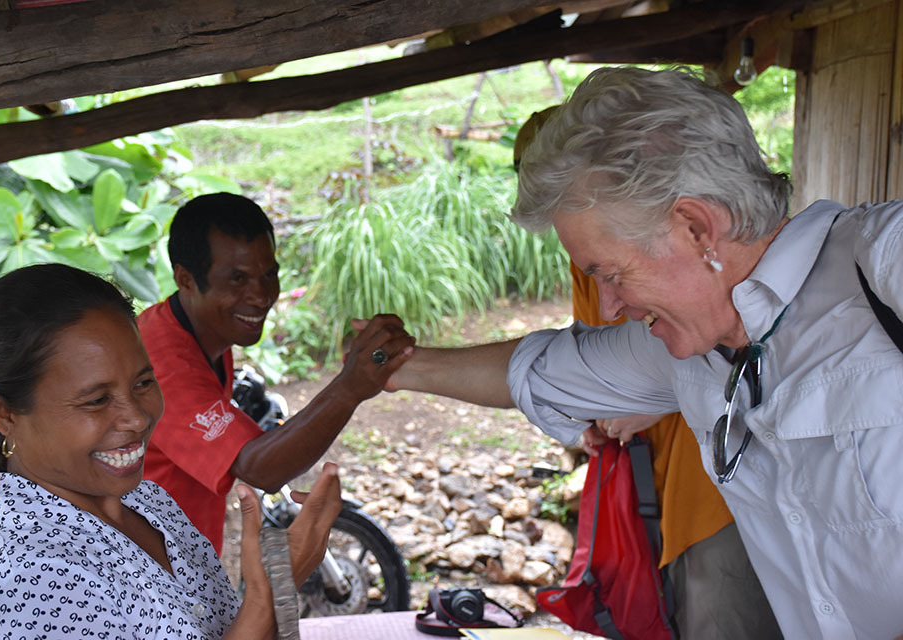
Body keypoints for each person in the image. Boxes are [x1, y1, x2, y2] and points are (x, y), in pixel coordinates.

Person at [380, 67, 903, 639]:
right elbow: (540, 370)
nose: (607, 306)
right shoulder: (694, 346)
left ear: (696, 227)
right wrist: (392, 367)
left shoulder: (882, 267)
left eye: (611, 273)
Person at [0, 263, 342, 638]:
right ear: (6, 414)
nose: (135, 417)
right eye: (97, 400)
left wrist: (273, 585)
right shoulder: (22, 580)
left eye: (143, 383)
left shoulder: (148, 502)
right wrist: (271, 593)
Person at [514, 108, 780, 639]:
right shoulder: (593, 253)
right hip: (657, 475)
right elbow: (599, 357)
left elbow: (712, 350)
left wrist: (649, 402)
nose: (613, 304)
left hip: (713, 482)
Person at [137, 193, 414, 554]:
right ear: (185, 280)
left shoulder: (202, 331)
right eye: (237, 279)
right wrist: (350, 388)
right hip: (144, 578)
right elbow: (259, 468)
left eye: (269, 274)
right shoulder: (160, 362)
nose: (261, 295)